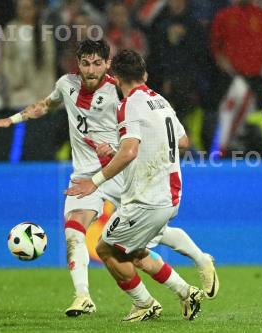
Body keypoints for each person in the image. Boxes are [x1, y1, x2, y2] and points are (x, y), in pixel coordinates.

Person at [0, 40, 218, 316]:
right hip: (85, 174)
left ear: (108, 65)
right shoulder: (66, 85)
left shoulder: (122, 94)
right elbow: (45, 106)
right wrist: (11, 121)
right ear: (78, 64)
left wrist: (126, 151)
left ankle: (192, 269)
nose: (91, 69)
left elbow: (148, 136)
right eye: (85, 63)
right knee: (74, 231)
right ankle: (83, 296)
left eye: (97, 63)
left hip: (117, 172)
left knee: (142, 244)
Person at [66, 50, 204, 322]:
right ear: (145, 74)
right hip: (169, 195)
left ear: (115, 78)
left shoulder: (129, 105)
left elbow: (129, 152)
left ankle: (145, 303)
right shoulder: (160, 101)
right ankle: (186, 292)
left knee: (105, 249)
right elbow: (184, 141)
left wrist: (95, 182)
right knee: (137, 253)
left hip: (146, 200)